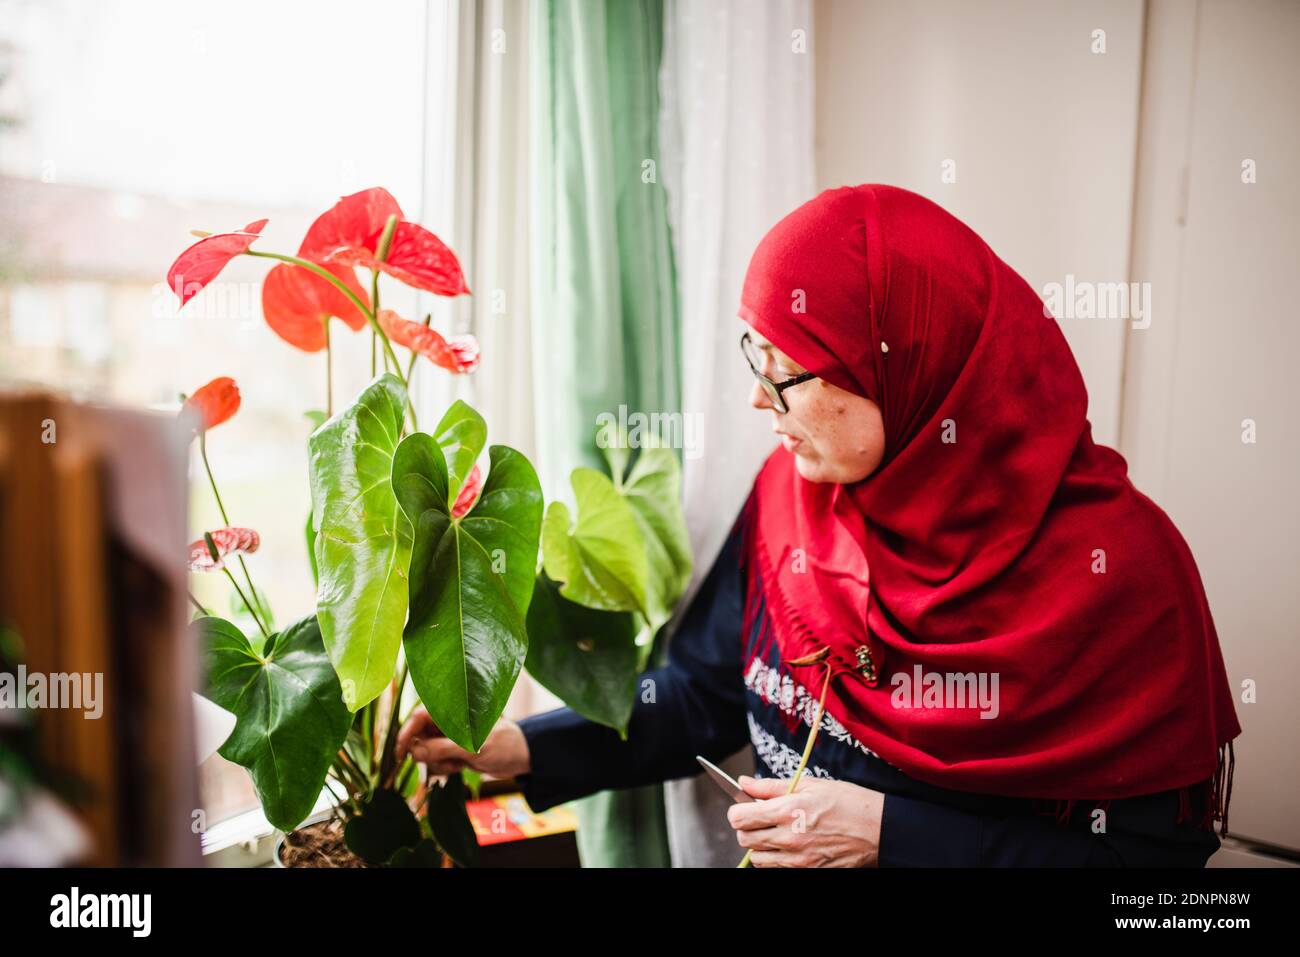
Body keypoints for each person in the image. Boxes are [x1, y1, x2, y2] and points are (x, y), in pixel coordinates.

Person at [397, 184, 1241, 867]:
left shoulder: (1122, 576)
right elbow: (706, 692)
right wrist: (519, 747)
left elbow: (1154, 874)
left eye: (785, 372)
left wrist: (890, 837)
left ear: (907, 369)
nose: (759, 399)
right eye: (753, 358)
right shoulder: (793, 496)